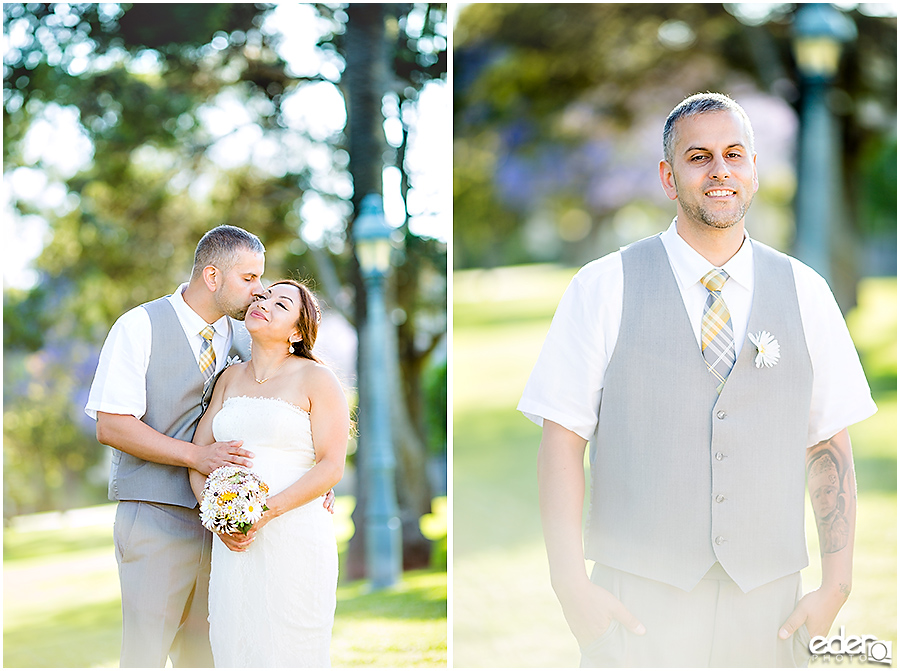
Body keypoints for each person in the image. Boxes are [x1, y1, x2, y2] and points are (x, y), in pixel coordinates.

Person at [518, 93, 876, 667]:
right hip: (636, 604)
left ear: (754, 170)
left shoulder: (806, 292)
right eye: (699, 156)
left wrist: (837, 585)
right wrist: (570, 586)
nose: (720, 171)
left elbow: (828, 441)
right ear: (668, 175)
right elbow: (562, 443)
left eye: (735, 155)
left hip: (770, 612)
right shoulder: (603, 286)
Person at [86, 224, 266, 667]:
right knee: (146, 656)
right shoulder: (138, 326)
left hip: (224, 522)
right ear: (212, 276)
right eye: (249, 279)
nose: (259, 292)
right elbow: (111, 425)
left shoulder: (246, 338)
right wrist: (196, 456)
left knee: (207, 657)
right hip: (154, 515)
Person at [189, 279, 350, 668]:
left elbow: (332, 465)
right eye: (261, 297)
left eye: (281, 304)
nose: (264, 303)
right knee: (235, 640)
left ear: (297, 330)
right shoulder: (228, 379)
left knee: (290, 644)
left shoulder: (317, 379)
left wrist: (265, 512)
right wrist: (218, 518)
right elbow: (199, 457)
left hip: (294, 534)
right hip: (235, 541)